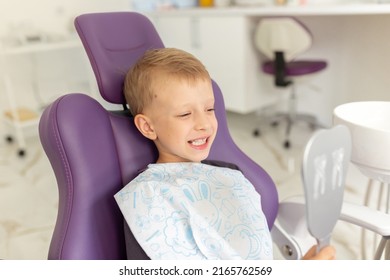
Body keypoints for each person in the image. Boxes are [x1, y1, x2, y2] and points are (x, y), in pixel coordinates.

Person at [114, 47, 335, 260]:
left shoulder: (228, 174)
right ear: (148, 127)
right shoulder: (148, 198)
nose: (204, 123)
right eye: (185, 114)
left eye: (210, 109)